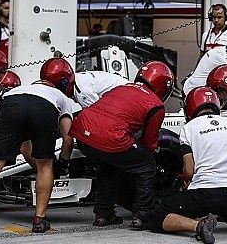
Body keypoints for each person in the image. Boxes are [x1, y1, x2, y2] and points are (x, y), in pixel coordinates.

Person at [0, 57, 76, 239]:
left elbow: (25, 147)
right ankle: (39, 221)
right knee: (45, 165)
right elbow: (68, 139)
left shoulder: (19, 89)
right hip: (44, 108)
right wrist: (63, 163)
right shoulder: (61, 98)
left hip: (10, 104)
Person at [151, 86, 227, 244]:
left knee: (158, 215)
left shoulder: (189, 129)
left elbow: (189, 171)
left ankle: (198, 225)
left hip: (205, 194)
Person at [70, 61, 172, 230]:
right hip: (111, 138)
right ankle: (142, 215)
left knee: (108, 165)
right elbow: (149, 142)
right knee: (146, 165)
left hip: (82, 132)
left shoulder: (120, 88)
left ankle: (104, 214)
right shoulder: (156, 104)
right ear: (164, 86)